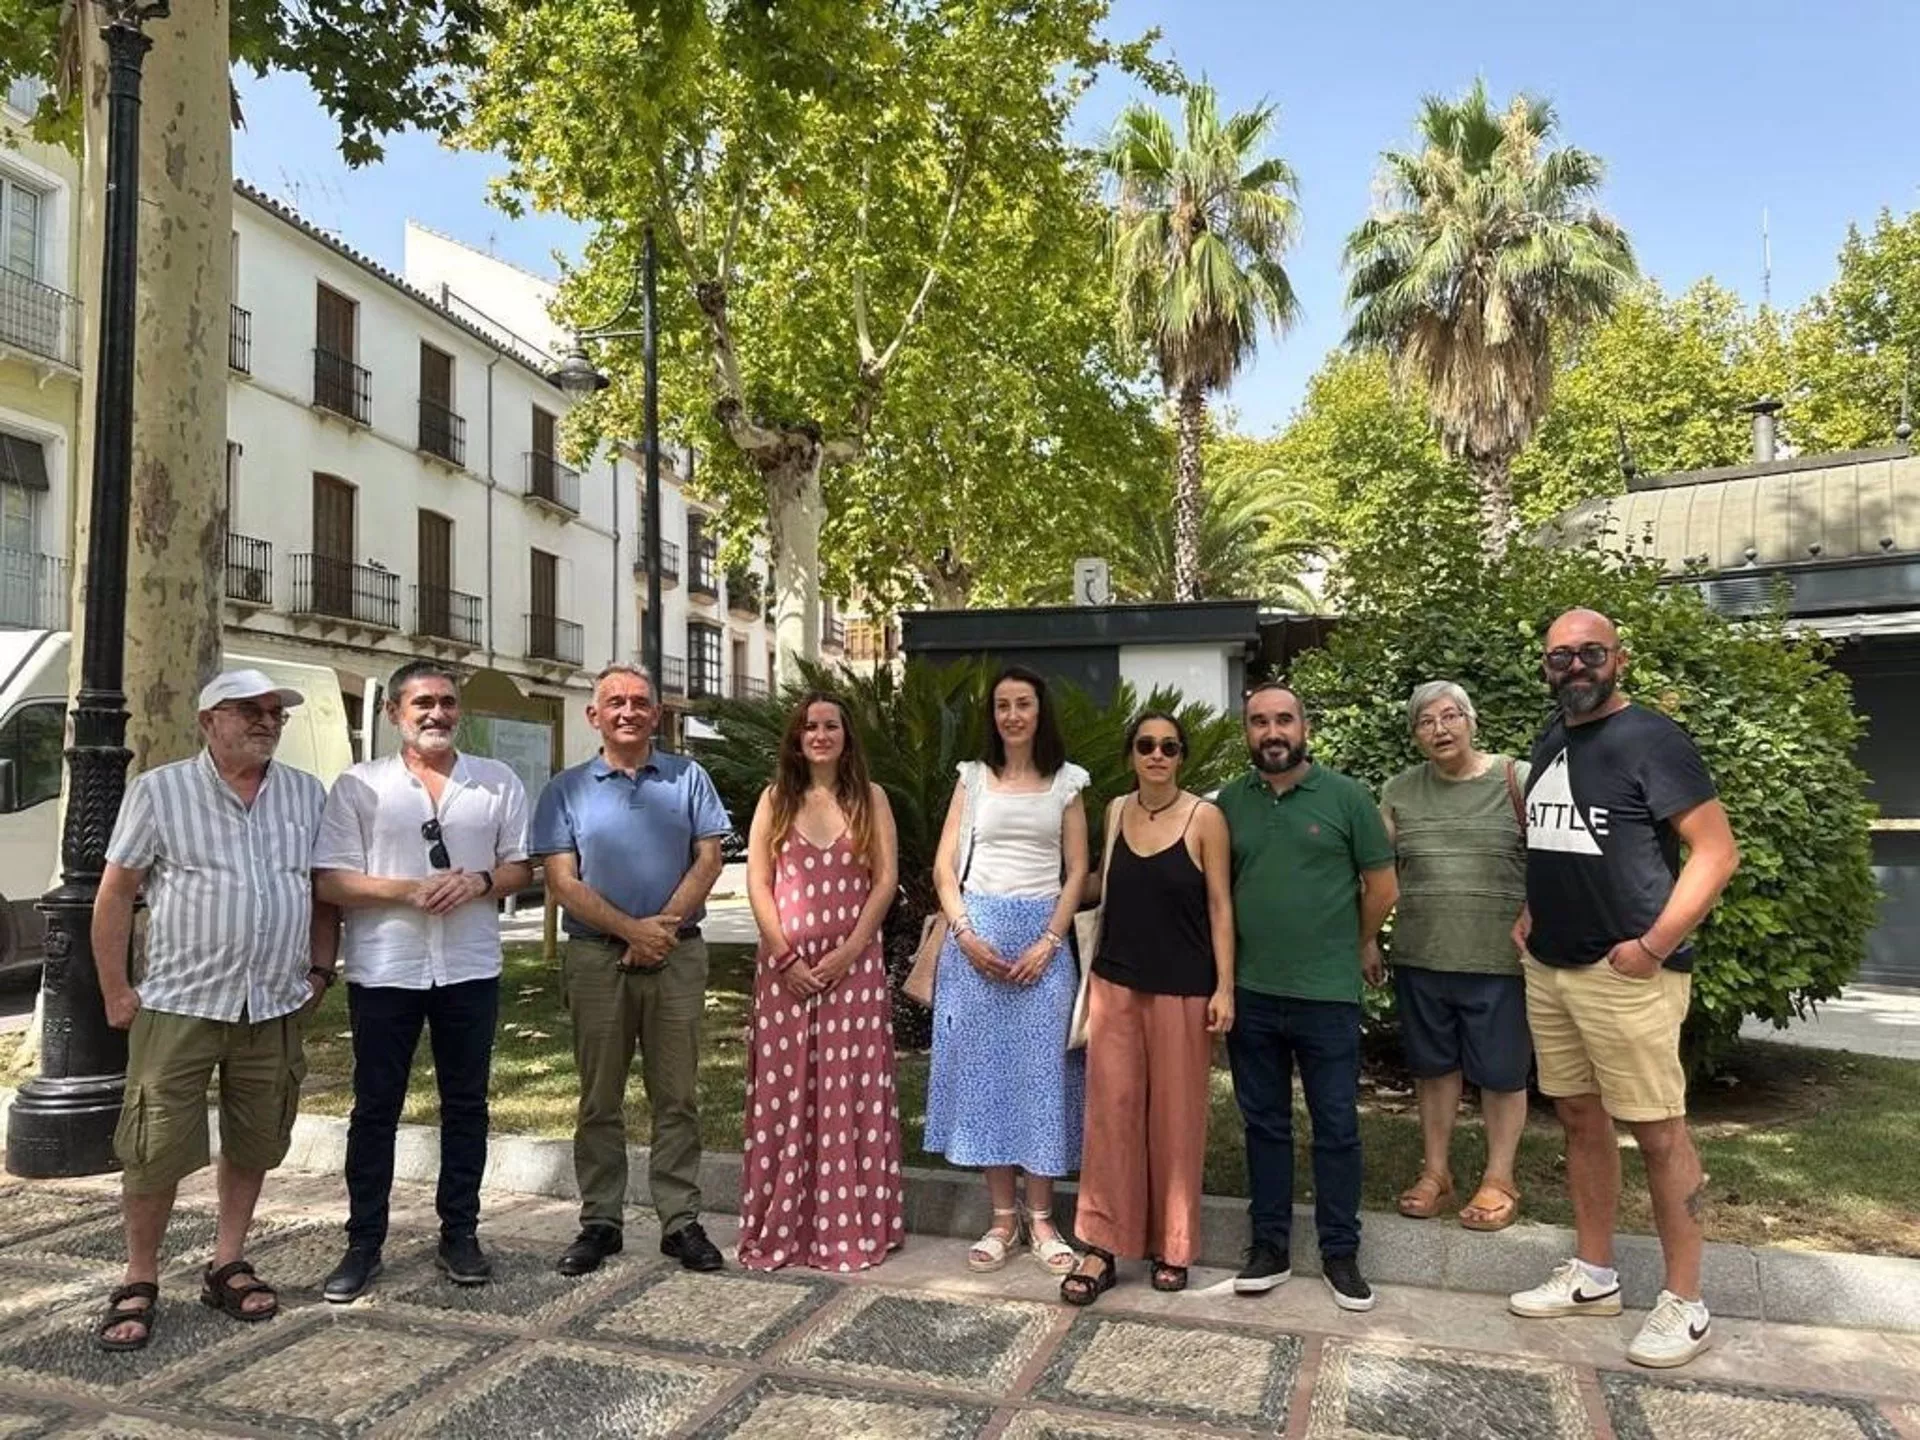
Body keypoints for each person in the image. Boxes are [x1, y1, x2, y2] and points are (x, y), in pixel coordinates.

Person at [1508, 609, 1740, 1369]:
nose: (1575, 666)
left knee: (1659, 1130)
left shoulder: (1654, 739)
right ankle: (1595, 1278)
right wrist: (1533, 909)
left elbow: (1715, 852)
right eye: (1560, 656)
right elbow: (1557, 834)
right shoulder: (1553, 738)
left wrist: (1653, 946)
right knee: (1579, 1120)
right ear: (1545, 666)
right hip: (1552, 968)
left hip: (1627, 976)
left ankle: (1687, 1302)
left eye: (1590, 653)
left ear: (1620, 660)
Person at [91, 670, 335, 1351]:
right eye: (249, 711)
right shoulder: (160, 792)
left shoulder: (305, 794)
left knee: (256, 1137)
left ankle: (227, 1259)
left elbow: (321, 893)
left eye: (274, 713)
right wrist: (115, 988)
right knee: (154, 1147)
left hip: (273, 1003)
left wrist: (319, 970)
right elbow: (115, 893)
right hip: (179, 1002)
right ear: (207, 721)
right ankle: (140, 1277)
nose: (267, 722)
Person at [313, 661, 531, 1300]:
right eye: (422, 704)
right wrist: (409, 890)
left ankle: (459, 1233)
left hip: (469, 966)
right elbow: (328, 880)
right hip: (386, 970)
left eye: (446, 703)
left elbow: (522, 865)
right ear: (393, 714)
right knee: (375, 1108)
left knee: (467, 1105)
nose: (437, 714)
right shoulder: (359, 786)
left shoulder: (495, 782)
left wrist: (480, 882)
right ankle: (363, 1242)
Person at [532, 663, 732, 1276]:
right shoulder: (564, 789)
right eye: (614, 702)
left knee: (677, 1095)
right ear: (594, 716)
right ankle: (601, 1222)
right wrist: (631, 931)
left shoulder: (689, 777)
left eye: (639, 702)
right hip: (597, 958)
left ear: (656, 714)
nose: (627, 711)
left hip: (675, 955)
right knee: (599, 1099)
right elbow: (562, 881)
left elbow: (710, 857)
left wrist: (660, 930)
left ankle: (680, 1221)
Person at [1216, 682, 1397, 1312]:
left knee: (1337, 1126)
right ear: (1247, 732)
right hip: (1253, 993)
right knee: (1262, 1124)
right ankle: (1268, 1246)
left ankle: (1340, 1251)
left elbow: (1382, 885)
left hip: (1327, 994)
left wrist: (1359, 942)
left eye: (1283, 720)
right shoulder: (1228, 804)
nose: (1272, 732)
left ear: (1305, 728)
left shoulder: (1347, 797)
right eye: (1259, 722)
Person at [1061, 711, 1234, 1306]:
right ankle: (1101, 1245)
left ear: (1181, 756)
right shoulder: (1113, 811)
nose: (1157, 754)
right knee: (1111, 1117)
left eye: (1168, 746)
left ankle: (1173, 1245)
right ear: (1131, 753)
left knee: (1176, 1121)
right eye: (1145, 745)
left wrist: (1225, 988)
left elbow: (1219, 908)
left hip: (1184, 990)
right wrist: (1033, 896)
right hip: (1116, 985)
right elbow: (1102, 887)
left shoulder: (1205, 818)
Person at [925, 665, 1089, 1276]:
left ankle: (1043, 1219)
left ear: (1040, 711)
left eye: (1023, 703)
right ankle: (1001, 1218)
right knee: (987, 1080)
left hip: (1043, 945)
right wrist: (965, 935)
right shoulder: (972, 779)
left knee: (1043, 1075)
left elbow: (1076, 870)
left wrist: (1050, 940)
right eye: (1002, 706)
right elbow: (945, 869)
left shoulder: (1068, 783)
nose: (1012, 715)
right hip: (977, 941)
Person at [738, 692, 904, 1271]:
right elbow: (758, 882)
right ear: (796, 737)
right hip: (785, 974)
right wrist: (785, 956)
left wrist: (849, 952)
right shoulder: (774, 799)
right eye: (809, 725)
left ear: (846, 735)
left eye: (831, 724)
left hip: (852, 973)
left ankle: (849, 1225)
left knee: (848, 1090)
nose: (820, 734)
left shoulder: (870, 799)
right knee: (788, 1097)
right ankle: (783, 1223)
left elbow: (885, 881)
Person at [1379, 681, 1532, 1232]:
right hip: (1423, 954)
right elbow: (1376, 873)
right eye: (1426, 721)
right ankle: (1436, 1173)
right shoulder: (1399, 791)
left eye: (1450, 717)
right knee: (1434, 1070)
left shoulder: (1517, 779)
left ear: (1472, 721)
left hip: (1500, 960)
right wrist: (1366, 936)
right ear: (1416, 734)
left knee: (1501, 1075)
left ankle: (1499, 1178)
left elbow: (1557, 858)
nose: (1440, 729)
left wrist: (1537, 909)